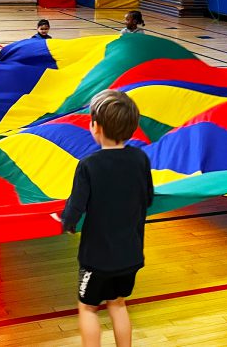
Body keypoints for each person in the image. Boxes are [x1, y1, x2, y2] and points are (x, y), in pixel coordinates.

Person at [59, 89, 154, 347]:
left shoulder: (89, 164)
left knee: (88, 308)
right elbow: (148, 197)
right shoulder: (140, 158)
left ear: (96, 127)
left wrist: (66, 224)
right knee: (119, 304)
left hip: (97, 260)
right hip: (131, 256)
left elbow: (75, 206)